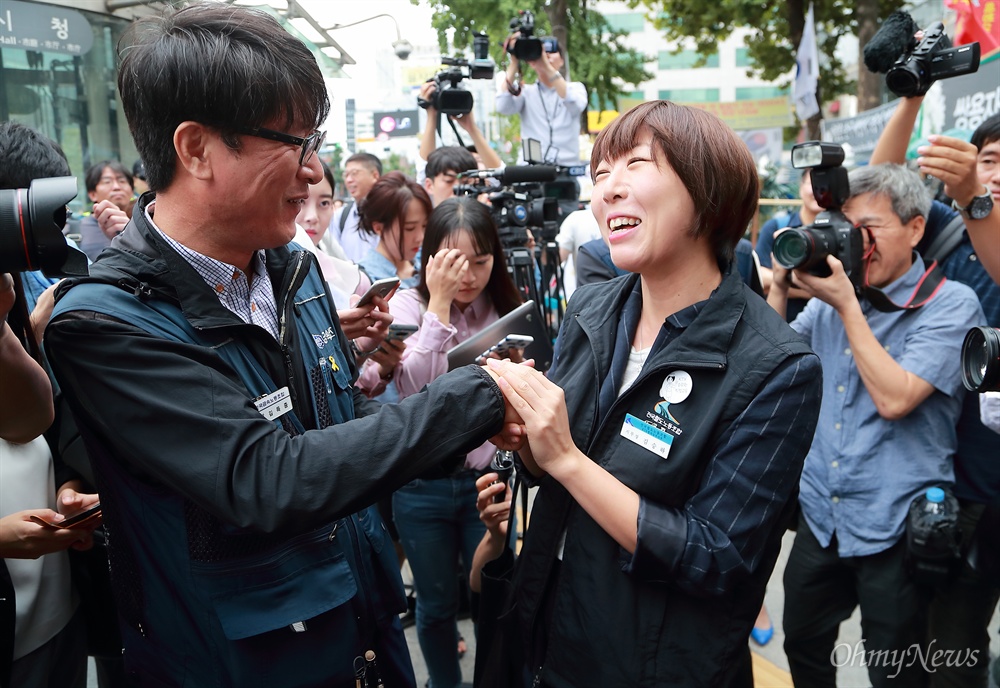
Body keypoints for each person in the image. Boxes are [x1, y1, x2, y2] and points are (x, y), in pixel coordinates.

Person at [41, 5, 520, 686]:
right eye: (293, 142)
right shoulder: (108, 323)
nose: (313, 169)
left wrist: (475, 432)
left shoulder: (294, 272)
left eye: (313, 140)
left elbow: (345, 429)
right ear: (197, 148)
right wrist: (478, 394)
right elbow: (268, 478)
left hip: (366, 637)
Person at [482, 100, 823, 686]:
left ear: (707, 189)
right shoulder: (592, 309)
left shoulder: (778, 366)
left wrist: (563, 456)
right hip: (547, 636)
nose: (608, 190)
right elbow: (561, 469)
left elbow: (715, 555)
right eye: (600, 175)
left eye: (635, 165)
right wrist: (529, 442)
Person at [769, 163, 984, 688]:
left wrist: (845, 305)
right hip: (823, 515)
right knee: (801, 642)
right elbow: (770, 366)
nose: (854, 244)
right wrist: (780, 286)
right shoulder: (829, 300)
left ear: (914, 229)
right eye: (845, 229)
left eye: (869, 230)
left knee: (895, 668)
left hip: (896, 524)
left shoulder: (951, 304)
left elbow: (896, 397)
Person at [872, 99, 1000, 688]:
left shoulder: (979, 224)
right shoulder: (951, 236)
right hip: (967, 483)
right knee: (948, 643)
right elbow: (882, 189)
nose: (994, 174)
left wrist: (976, 196)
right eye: (989, 160)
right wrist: (912, 95)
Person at [370, 197, 522, 688]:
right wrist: (437, 305)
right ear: (433, 258)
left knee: (491, 593)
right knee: (435, 605)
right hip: (422, 485)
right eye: (457, 262)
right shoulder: (410, 306)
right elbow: (417, 390)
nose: (470, 275)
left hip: (489, 478)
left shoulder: (503, 309)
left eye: (481, 261)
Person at [496, 36, 587, 168]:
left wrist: (546, 66)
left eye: (551, 52)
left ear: (562, 60)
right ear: (531, 62)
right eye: (542, 53)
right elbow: (502, 106)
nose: (546, 56)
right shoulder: (525, 92)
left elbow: (574, 104)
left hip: (566, 168)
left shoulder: (575, 88)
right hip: (531, 169)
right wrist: (514, 62)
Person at [755, 169, 824, 321]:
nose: (819, 190)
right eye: (813, 184)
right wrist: (816, 291)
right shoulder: (776, 227)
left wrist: (784, 279)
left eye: (825, 184)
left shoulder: (840, 234)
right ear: (801, 187)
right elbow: (760, 279)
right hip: (783, 321)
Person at [328, 152, 383, 262]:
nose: (349, 180)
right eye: (346, 175)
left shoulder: (390, 213)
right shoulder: (340, 217)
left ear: (375, 176)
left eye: (354, 173)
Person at [77, 161, 134, 262]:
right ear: (92, 194)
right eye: (107, 182)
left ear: (132, 191)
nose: (116, 187)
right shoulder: (75, 230)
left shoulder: (143, 228)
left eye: (122, 181)